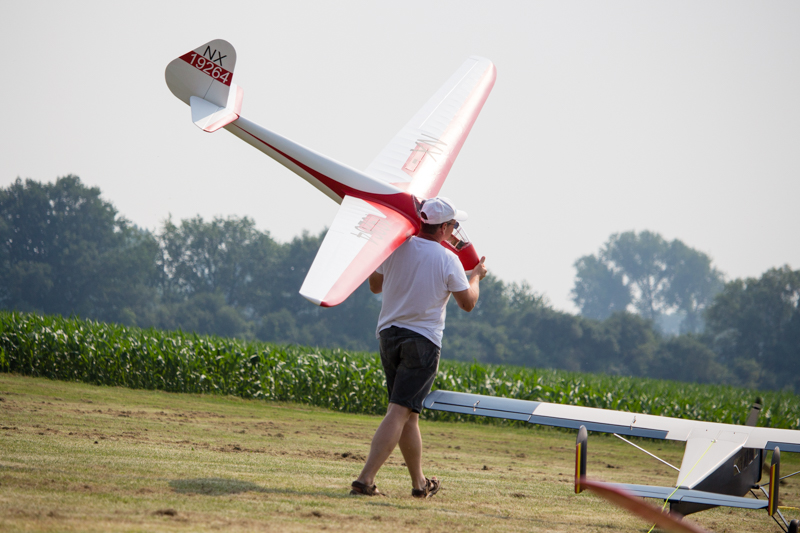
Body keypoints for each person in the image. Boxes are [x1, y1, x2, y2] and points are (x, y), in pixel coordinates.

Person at [350, 197, 487, 499]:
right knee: (399, 410)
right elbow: (468, 303)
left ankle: (419, 484)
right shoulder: (448, 259)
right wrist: (475, 277)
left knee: (409, 413)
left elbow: (375, 285)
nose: (454, 231)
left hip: (388, 336)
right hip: (422, 341)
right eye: (453, 225)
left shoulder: (398, 245)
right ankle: (365, 479)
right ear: (445, 227)